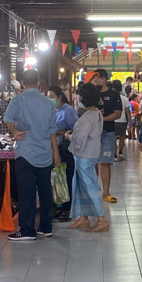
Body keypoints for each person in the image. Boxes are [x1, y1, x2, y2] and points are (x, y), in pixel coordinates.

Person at [3, 69, 61, 241]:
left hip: (26, 153)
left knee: (26, 192)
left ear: (22, 82)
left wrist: (14, 131)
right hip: (45, 153)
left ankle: (27, 230)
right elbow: (53, 131)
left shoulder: (17, 100)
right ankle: (46, 227)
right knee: (45, 191)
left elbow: (8, 118)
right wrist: (56, 155)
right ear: (38, 83)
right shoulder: (48, 102)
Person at [66, 83, 110, 232]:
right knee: (80, 186)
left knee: (90, 186)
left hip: (84, 155)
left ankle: (101, 219)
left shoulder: (88, 117)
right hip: (90, 153)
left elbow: (80, 139)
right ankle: (83, 217)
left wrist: (68, 137)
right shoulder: (96, 113)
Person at [90, 69, 122, 203]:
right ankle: (93, 191)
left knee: (105, 162)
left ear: (104, 79)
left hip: (107, 132)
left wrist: (103, 119)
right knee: (92, 162)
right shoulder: (92, 94)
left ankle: (106, 192)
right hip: (92, 133)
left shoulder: (114, 95)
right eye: (95, 79)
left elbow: (118, 113)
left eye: (99, 78)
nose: (98, 81)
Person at [48, 85, 78, 223]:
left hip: (65, 149)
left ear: (59, 97)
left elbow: (74, 129)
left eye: (52, 97)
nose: (50, 100)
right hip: (53, 148)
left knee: (66, 178)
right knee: (57, 179)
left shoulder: (68, 111)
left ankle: (68, 209)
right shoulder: (51, 111)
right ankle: (59, 208)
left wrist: (59, 133)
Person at [111, 80, 129, 159]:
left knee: (114, 139)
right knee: (122, 137)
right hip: (123, 121)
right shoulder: (125, 99)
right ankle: (120, 152)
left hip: (114, 120)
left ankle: (115, 154)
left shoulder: (112, 98)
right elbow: (128, 111)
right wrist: (130, 123)